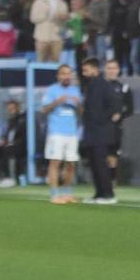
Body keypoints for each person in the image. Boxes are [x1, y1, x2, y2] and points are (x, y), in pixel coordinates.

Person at [79, 57, 122, 205]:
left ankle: (109, 194)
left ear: (94, 69)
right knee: (94, 164)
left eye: (86, 70)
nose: (84, 73)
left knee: (101, 164)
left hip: (101, 132)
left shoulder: (103, 85)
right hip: (91, 132)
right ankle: (99, 193)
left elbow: (114, 104)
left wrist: (101, 120)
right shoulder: (92, 85)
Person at [40, 64, 82, 204]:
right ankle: (54, 194)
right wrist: (57, 102)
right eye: (63, 73)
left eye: (69, 73)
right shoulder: (52, 90)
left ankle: (67, 192)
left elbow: (82, 112)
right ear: (58, 76)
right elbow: (44, 109)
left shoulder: (75, 90)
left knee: (71, 163)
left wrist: (79, 105)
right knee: (55, 162)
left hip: (71, 133)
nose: (66, 76)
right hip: (56, 132)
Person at [105, 59, 133, 182]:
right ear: (105, 70)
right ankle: (101, 177)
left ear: (118, 70)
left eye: (113, 68)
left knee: (113, 153)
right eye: (109, 68)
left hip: (115, 127)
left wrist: (119, 115)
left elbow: (130, 109)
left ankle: (111, 179)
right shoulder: (99, 87)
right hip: (100, 126)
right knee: (100, 152)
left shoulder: (124, 88)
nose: (111, 71)